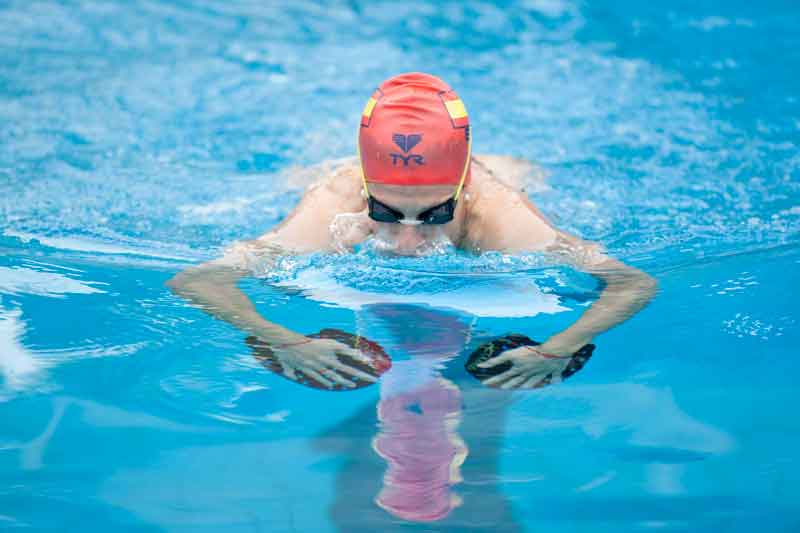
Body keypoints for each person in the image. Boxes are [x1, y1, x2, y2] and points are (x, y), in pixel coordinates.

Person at [167, 72, 657, 390]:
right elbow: (198, 280)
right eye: (384, 211)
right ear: (365, 190)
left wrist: (559, 349)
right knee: (300, 175)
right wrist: (283, 340)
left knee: (523, 170)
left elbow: (633, 282)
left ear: (461, 194)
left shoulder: (497, 213)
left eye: (434, 216)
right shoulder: (337, 199)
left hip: (506, 173)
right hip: (331, 172)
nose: (406, 243)